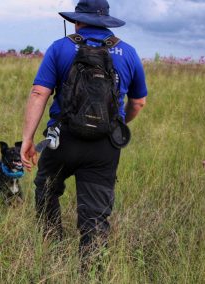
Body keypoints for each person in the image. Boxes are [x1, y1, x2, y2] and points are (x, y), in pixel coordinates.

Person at [21, 0, 147, 269]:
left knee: (46, 188)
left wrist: (28, 138)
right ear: (106, 22)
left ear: (78, 20)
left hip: (62, 140)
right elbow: (138, 103)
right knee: (95, 214)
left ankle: (51, 247)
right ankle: (91, 271)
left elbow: (38, 92)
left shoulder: (60, 47)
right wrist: (119, 123)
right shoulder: (129, 52)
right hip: (105, 146)